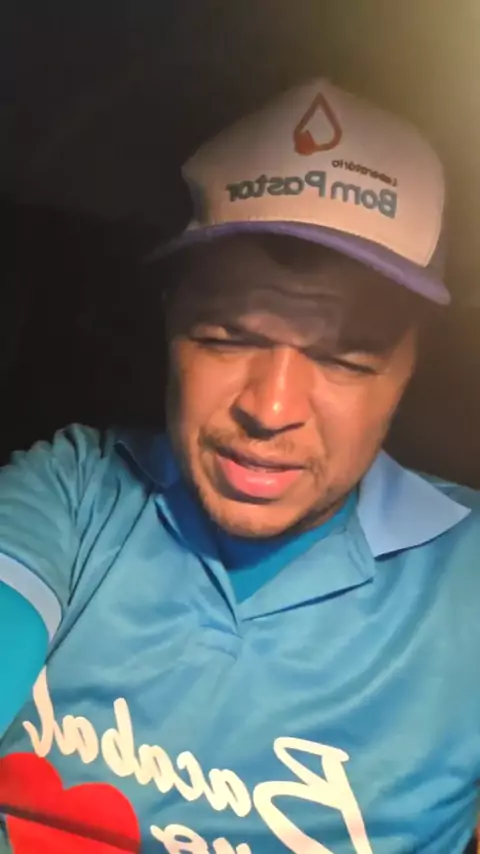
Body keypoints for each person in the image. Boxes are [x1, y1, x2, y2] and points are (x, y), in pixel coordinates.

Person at [0, 79, 477, 854]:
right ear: (169, 322)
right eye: (226, 337)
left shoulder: (466, 576)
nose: (271, 407)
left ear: (412, 366)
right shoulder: (76, 490)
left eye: (345, 359)